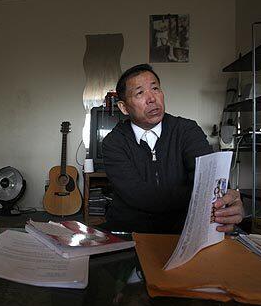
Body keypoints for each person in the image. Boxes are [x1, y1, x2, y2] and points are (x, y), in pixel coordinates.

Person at [102, 64, 243, 234]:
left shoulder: (186, 130)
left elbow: (208, 179)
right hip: (130, 233)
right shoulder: (114, 142)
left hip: (182, 233)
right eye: (140, 93)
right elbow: (138, 195)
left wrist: (225, 200)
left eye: (155, 88)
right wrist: (198, 195)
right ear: (124, 107)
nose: (152, 98)